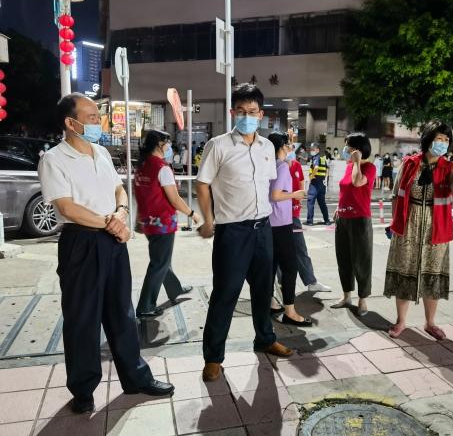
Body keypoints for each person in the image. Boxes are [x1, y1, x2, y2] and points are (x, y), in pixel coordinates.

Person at [38, 93, 174, 413]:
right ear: (70, 123)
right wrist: (111, 224)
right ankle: (83, 389)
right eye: (91, 117)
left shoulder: (100, 152)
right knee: (82, 318)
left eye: (98, 117)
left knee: (122, 312)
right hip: (81, 242)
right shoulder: (54, 159)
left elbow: (118, 189)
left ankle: (136, 377)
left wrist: (122, 213)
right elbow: (66, 207)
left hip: (112, 239)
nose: (98, 122)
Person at [196, 83, 293, 382]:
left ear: (261, 115)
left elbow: (266, 187)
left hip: (263, 229)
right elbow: (202, 184)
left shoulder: (267, 148)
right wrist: (208, 219)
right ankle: (213, 357)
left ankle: (264, 338)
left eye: (252, 112)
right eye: (241, 111)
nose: (247, 116)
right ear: (232, 113)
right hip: (232, 232)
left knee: (263, 291)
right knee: (225, 294)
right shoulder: (218, 146)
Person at [385, 121, 453, 340]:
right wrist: (395, 224)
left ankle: (430, 323)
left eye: (446, 139)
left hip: (436, 228)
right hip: (408, 226)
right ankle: (401, 321)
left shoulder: (449, 167)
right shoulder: (409, 163)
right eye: (438, 138)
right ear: (428, 139)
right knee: (404, 272)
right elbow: (396, 195)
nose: (442, 143)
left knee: (433, 275)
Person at [134, 130, 198, 319]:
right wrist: (192, 213)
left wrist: (138, 219)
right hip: (162, 223)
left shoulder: (142, 165)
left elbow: (140, 195)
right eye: (168, 143)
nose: (170, 146)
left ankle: (175, 289)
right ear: (160, 144)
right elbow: (175, 199)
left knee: (162, 259)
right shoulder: (162, 168)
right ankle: (145, 306)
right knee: (159, 263)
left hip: (149, 222)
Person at [267, 132, 312, 326]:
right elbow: (276, 195)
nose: (291, 148)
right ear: (282, 147)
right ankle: (290, 312)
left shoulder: (267, 165)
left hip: (268, 222)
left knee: (270, 266)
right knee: (290, 267)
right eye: (289, 145)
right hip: (280, 223)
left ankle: (270, 303)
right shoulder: (282, 167)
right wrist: (295, 194)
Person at [330, 134, 376, 316]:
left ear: (357, 149)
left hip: (360, 220)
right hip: (343, 218)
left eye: (348, 146)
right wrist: (339, 207)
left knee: (361, 260)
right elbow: (346, 189)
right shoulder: (349, 166)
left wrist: (357, 162)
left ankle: (362, 299)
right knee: (344, 259)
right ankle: (346, 296)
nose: (345, 150)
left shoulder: (369, 167)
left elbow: (357, 182)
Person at [283, 143, 331, 293]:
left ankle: (311, 281)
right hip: (278, 216)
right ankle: (278, 285)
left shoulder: (297, 165)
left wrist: (299, 199)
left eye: (290, 147)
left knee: (301, 250)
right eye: (286, 147)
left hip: (294, 215)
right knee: (278, 254)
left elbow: (301, 184)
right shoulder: (275, 166)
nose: (289, 150)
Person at [305, 142, 331, 225]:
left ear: (318, 150)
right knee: (322, 203)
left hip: (315, 183)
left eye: (313, 149)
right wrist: (325, 178)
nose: (312, 150)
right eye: (311, 149)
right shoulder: (323, 159)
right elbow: (327, 169)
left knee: (310, 202)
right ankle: (327, 220)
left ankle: (310, 221)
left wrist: (311, 176)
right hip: (322, 184)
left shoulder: (315, 157)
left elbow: (316, 168)